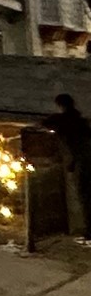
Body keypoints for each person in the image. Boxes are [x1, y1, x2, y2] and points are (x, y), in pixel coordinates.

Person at [45, 93, 90, 237]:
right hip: (86, 159)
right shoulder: (80, 120)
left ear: (59, 106)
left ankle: (90, 230)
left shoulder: (61, 119)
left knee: (84, 195)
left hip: (81, 162)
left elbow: (44, 124)